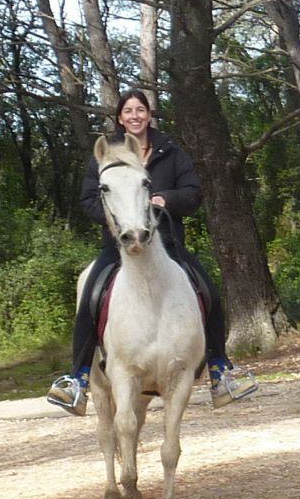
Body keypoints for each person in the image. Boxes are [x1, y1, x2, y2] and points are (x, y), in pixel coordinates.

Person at [47, 89, 258, 415]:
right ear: (120, 117)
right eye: (128, 111)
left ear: (149, 114)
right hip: (118, 247)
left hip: (167, 245)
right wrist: (117, 218)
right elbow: (89, 199)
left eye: (140, 110)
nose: (134, 116)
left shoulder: (171, 152)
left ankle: (220, 370)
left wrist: (164, 200)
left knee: (209, 293)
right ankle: (78, 378)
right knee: (90, 298)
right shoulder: (105, 155)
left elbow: (193, 193)